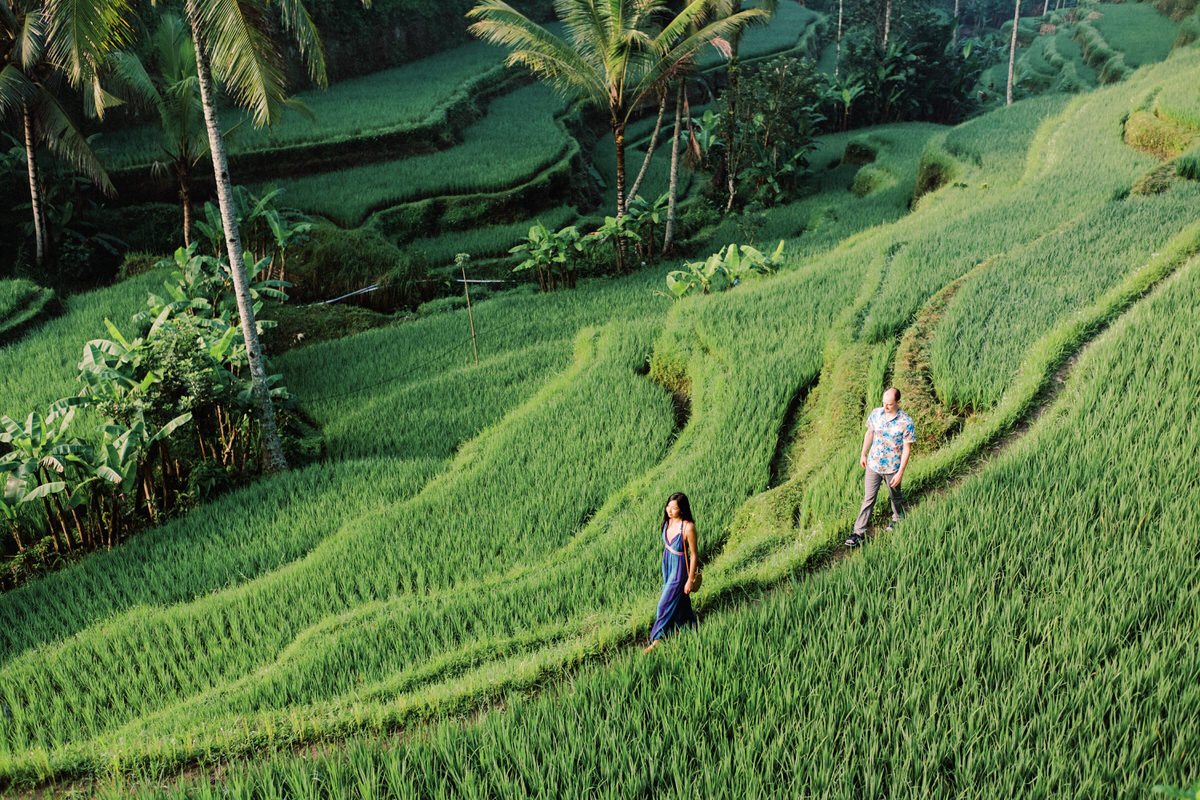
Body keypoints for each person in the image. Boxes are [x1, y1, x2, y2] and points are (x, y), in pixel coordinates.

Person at [845, 387, 914, 548]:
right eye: (884, 403)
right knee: (869, 498)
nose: (886, 407)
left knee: (895, 497)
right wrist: (863, 454)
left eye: (889, 404)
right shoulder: (876, 413)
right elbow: (869, 433)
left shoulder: (906, 421)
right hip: (874, 464)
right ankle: (858, 533)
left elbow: (907, 449)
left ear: (898, 402)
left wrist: (900, 472)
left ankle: (898, 519)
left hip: (892, 468)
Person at [644, 492, 699, 653]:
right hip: (667, 565)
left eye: (674, 508)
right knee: (681, 602)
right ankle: (689, 627)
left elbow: (694, 555)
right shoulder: (667, 522)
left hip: (680, 569)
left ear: (682, 510)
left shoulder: (688, 527)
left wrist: (689, 580)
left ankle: (657, 640)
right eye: (668, 506)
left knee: (663, 605)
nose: (669, 510)